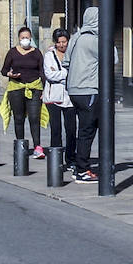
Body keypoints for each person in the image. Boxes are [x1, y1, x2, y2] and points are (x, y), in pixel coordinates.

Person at [66, 7, 101, 183]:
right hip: (89, 89)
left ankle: (79, 165)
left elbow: (66, 61)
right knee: (87, 130)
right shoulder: (94, 40)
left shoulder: (75, 37)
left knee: (84, 128)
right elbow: (113, 57)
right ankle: (82, 169)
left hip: (73, 90)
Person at [0, 27, 47, 159]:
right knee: (19, 118)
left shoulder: (37, 53)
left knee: (34, 117)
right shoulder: (12, 52)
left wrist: (45, 89)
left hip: (35, 87)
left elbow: (42, 71)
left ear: (31, 38)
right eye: (23, 38)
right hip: (16, 88)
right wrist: (10, 74)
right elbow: (4, 70)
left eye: (27, 37)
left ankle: (38, 147)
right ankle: (21, 145)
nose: (25, 40)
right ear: (19, 39)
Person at [42, 28, 76, 168]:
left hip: (70, 97)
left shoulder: (73, 54)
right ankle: (56, 159)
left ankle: (71, 158)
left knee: (71, 129)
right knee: (55, 129)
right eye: (59, 42)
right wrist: (66, 74)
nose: (62, 45)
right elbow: (50, 75)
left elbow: (76, 71)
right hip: (53, 97)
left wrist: (60, 73)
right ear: (55, 43)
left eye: (64, 41)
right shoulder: (49, 55)